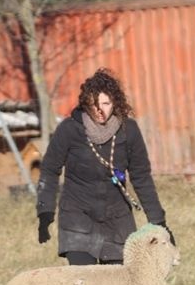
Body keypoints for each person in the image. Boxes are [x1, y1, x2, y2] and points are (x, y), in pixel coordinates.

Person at [35, 67, 175, 268]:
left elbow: (141, 177)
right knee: (84, 282)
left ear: (115, 103)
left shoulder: (129, 130)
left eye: (106, 104)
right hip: (77, 217)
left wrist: (159, 222)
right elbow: (49, 169)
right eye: (94, 104)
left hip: (117, 219)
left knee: (118, 283)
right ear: (86, 103)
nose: (100, 110)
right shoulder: (69, 129)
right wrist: (45, 212)